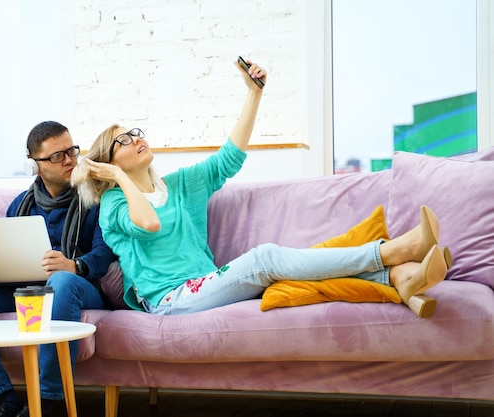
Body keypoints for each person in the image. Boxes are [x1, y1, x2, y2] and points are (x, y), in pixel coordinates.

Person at [71, 59, 448, 317]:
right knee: (265, 258)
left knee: (284, 270)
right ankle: (391, 252)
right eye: (124, 141)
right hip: (170, 300)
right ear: (109, 162)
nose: (137, 139)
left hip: (207, 283)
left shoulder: (182, 184)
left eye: (137, 132)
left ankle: (400, 278)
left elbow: (229, 157)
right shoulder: (114, 205)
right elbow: (149, 224)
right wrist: (118, 180)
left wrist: (255, 94)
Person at [0, 121, 115, 417]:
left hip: (79, 287)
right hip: (25, 289)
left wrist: (74, 265)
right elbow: (7, 254)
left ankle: (45, 399)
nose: (69, 160)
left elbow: (104, 253)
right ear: (36, 164)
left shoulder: (95, 198)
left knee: (62, 282)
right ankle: (3, 397)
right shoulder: (20, 204)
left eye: (71, 150)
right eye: (57, 156)